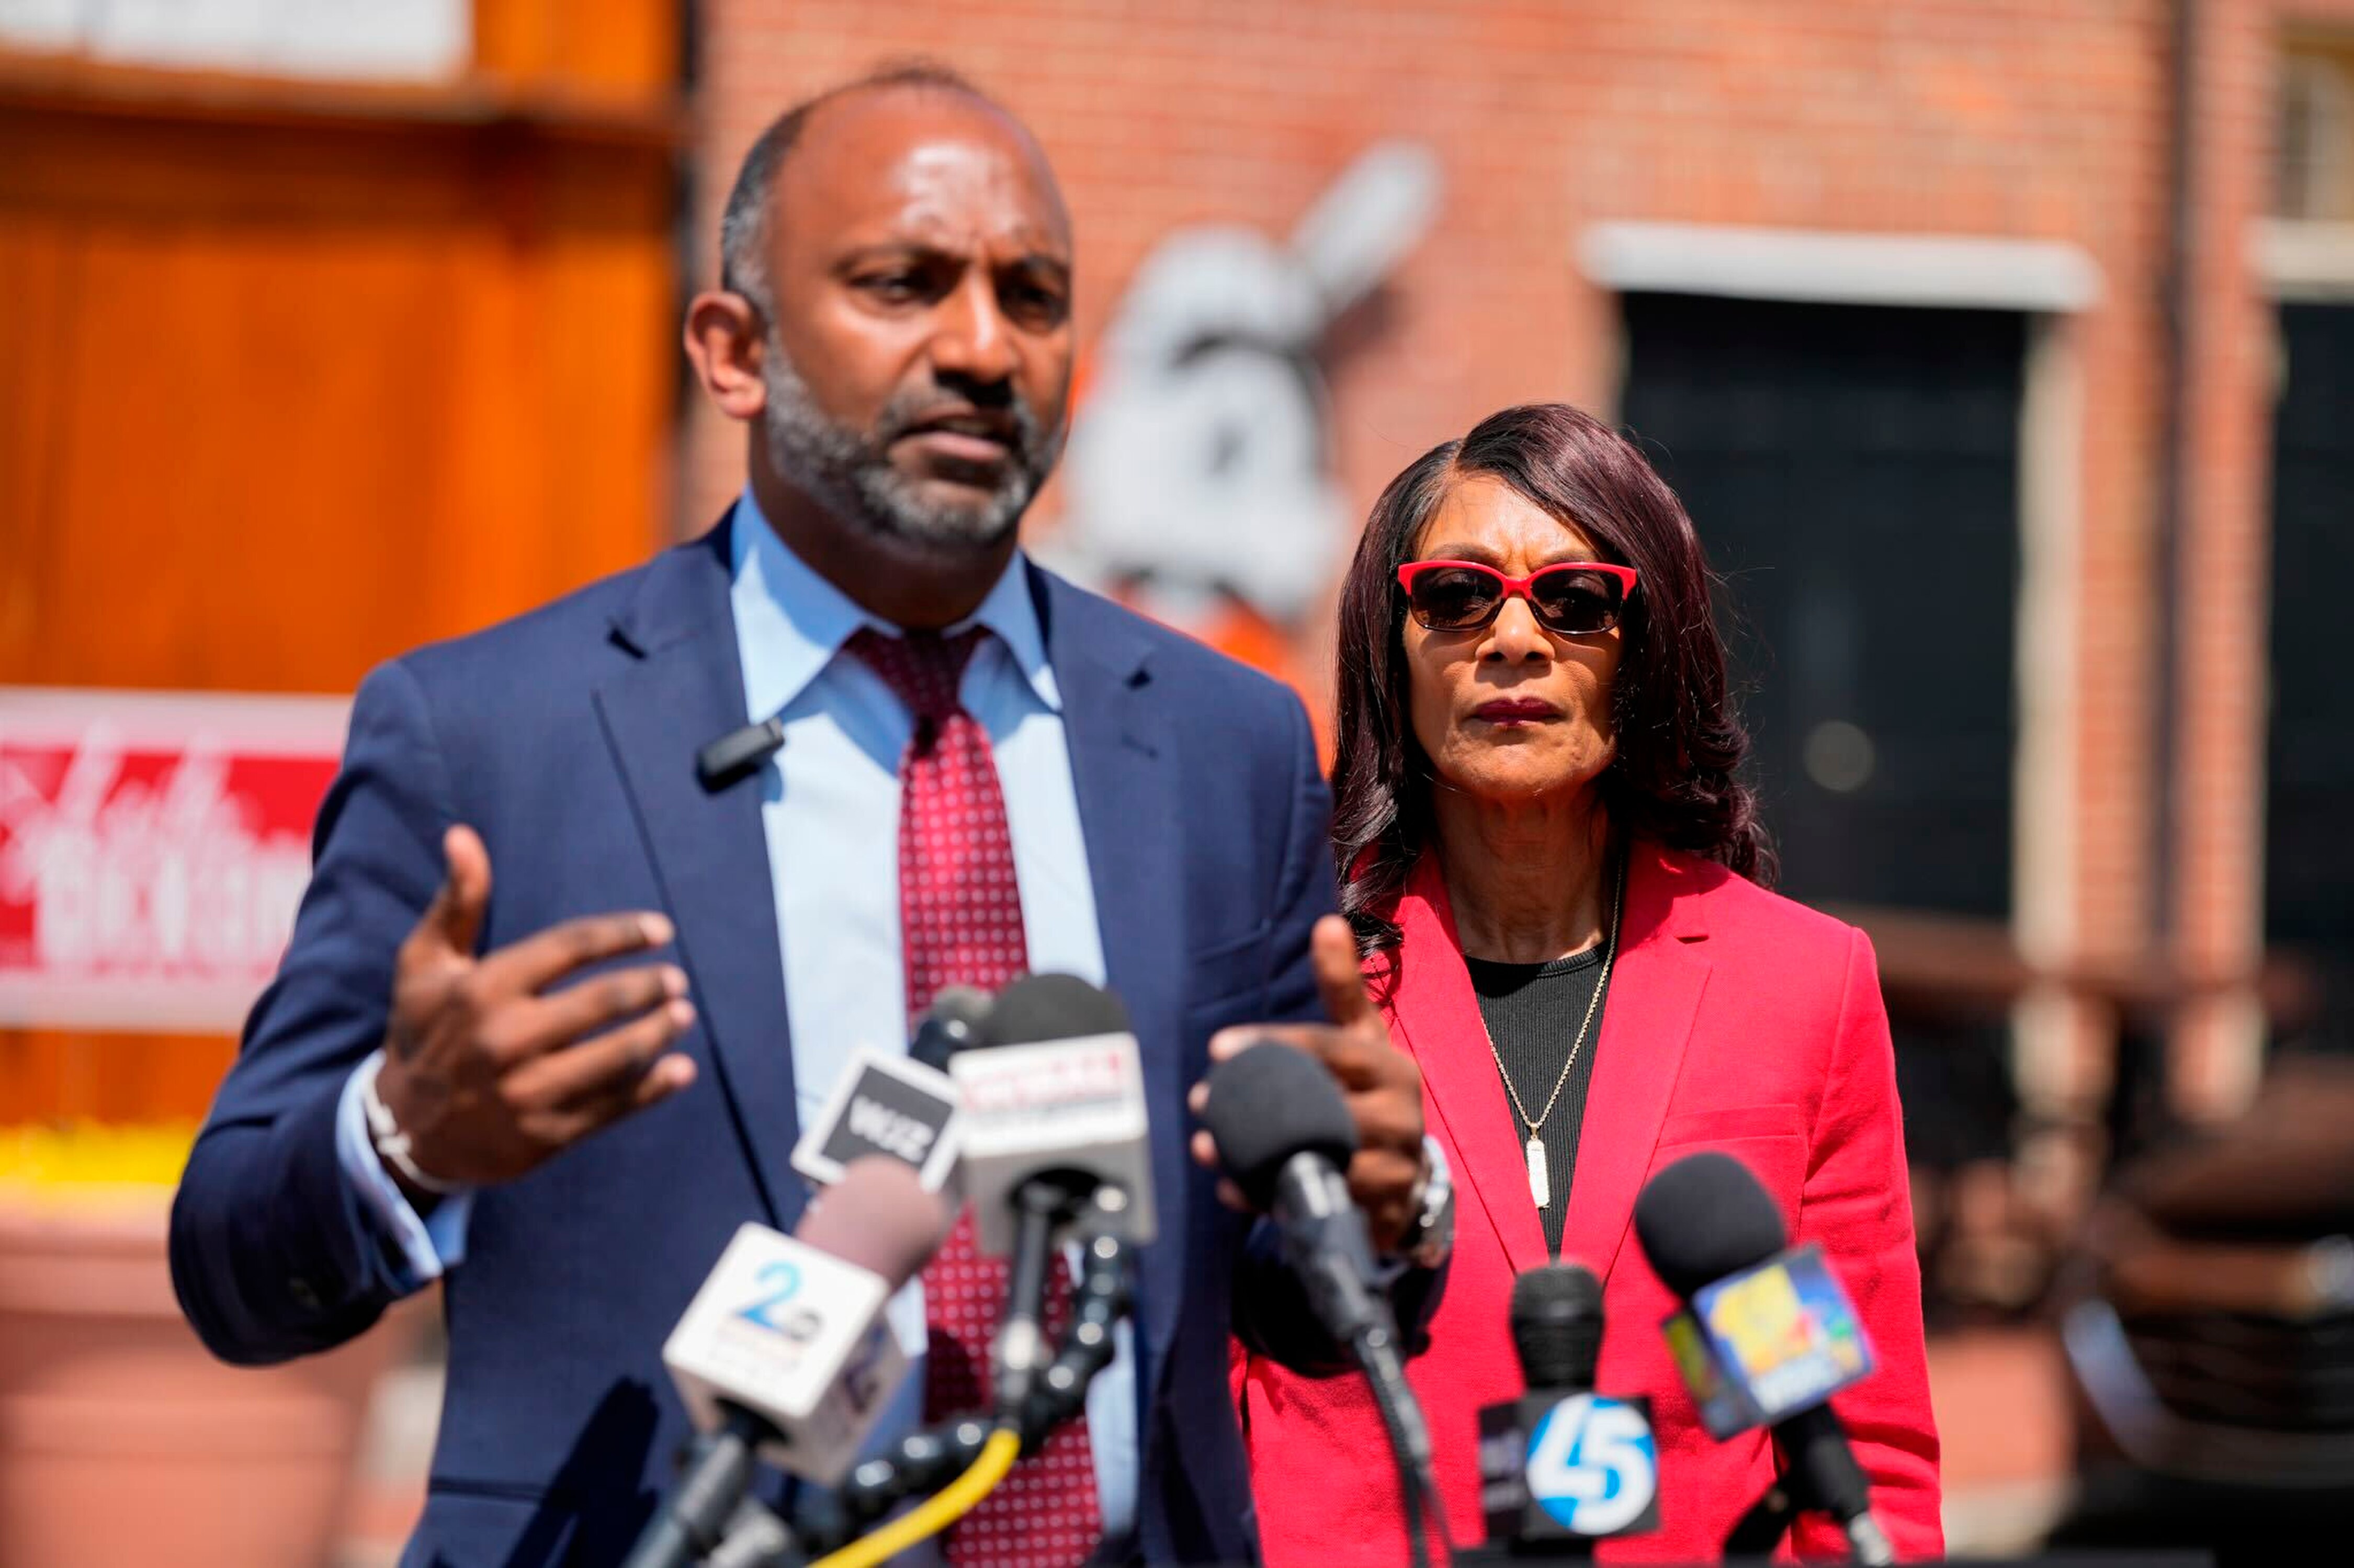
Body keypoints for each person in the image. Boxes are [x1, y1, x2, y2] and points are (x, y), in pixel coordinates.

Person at [168, 66, 1448, 1568]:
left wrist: (1378, 1202)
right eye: (904, 284)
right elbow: (231, 1262)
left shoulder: (1226, 738)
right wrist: (404, 1136)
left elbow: (1275, 1284)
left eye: (1030, 297)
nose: (982, 347)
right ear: (734, 350)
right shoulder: (489, 735)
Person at [1234, 404, 1942, 1562]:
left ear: (1647, 643)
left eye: (1574, 598)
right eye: (1458, 593)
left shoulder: (1798, 987)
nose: (1514, 637)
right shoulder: (1283, 981)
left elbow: (1856, 1453)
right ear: (1389, 642)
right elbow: (1200, 1411)